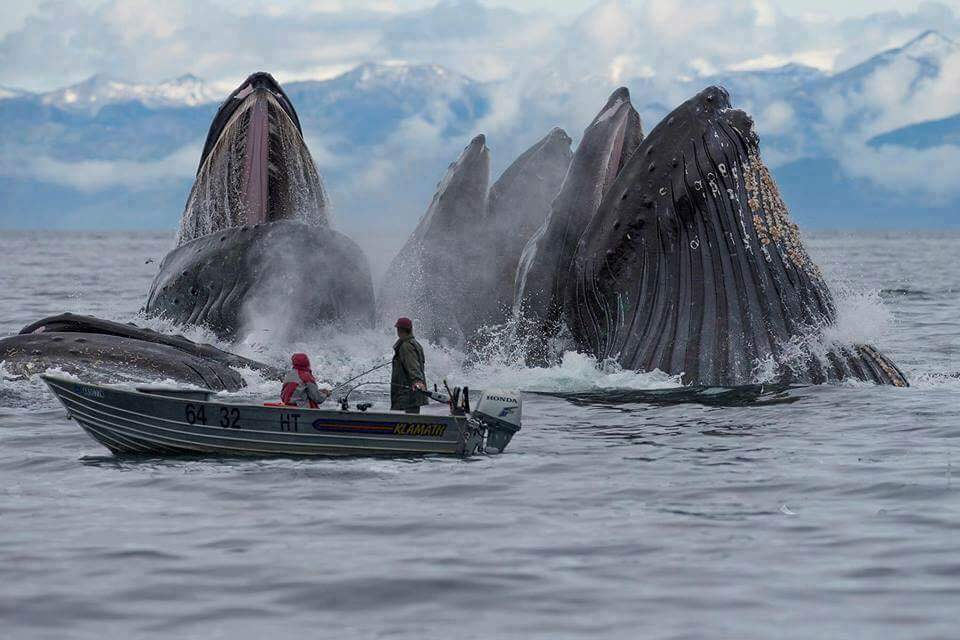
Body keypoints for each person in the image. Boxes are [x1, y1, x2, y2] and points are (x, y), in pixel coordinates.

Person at [391, 317, 428, 413]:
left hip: (406, 396)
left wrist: (417, 381)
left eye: (398, 329)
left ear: (400, 330)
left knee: (402, 423)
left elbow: (413, 366)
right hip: (413, 395)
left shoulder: (406, 346)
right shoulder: (416, 344)